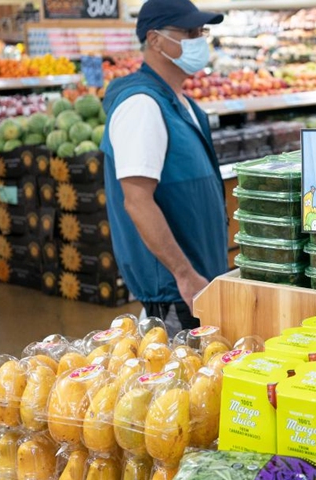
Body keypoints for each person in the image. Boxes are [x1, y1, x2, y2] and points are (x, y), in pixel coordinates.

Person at [99, 0, 228, 335]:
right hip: (177, 291)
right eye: (189, 32)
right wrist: (184, 275)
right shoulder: (141, 106)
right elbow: (137, 201)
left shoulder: (182, 104)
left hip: (201, 280)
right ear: (154, 40)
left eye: (202, 31)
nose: (200, 40)